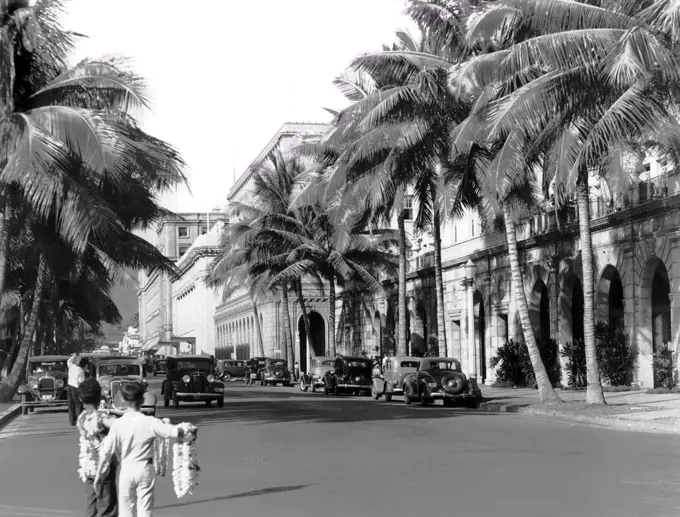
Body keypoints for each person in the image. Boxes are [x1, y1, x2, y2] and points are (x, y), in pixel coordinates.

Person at [95, 382, 186, 517]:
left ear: (124, 400)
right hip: (145, 470)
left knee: (126, 511)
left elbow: (106, 452)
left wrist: (98, 475)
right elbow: (173, 431)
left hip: (127, 470)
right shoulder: (150, 422)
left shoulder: (118, 424)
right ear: (142, 400)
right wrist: (188, 431)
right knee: (145, 510)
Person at [77, 379, 117, 517]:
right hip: (103, 466)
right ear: (99, 396)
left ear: (80, 398)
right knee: (107, 505)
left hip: (88, 466)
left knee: (92, 503)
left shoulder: (81, 418)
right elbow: (118, 426)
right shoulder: (101, 417)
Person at [67, 353, 85, 426]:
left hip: (70, 386)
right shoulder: (80, 370)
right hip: (76, 387)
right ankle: (79, 421)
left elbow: (69, 361)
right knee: (78, 404)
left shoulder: (71, 366)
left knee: (71, 405)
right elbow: (81, 382)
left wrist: (73, 356)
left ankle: (72, 421)